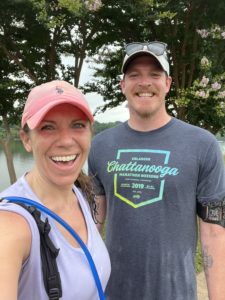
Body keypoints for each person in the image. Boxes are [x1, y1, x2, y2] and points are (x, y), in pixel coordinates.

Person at [88, 42, 225, 300]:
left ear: (168, 84)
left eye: (154, 74)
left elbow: (214, 232)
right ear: (123, 85)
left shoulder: (202, 145)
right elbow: (93, 224)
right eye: (134, 75)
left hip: (175, 292)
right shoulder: (100, 146)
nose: (144, 82)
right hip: (112, 291)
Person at [0, 80, 111, 300]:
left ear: (90, 133)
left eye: (78, 125)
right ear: (26, 140)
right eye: (48, 127)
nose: (66, 141)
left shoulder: (79, 192)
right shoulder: (11, 223)